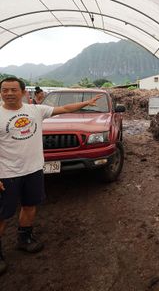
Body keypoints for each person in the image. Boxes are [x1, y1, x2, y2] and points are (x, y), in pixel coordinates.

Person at [0, 77, 102, 275]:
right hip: (6, 174)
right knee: (3, 214)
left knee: (30, 206)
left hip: (34, 169)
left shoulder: (36, 110)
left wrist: (86, 103)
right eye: (5, 90)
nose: (9, 93)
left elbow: (65, 109)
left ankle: (25, 238)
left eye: (13, 89)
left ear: (23, 92)